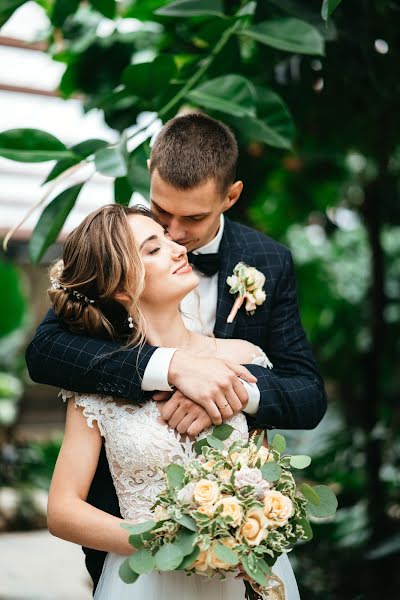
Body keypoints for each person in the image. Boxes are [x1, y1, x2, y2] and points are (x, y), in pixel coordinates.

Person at [26, 113, 326, 590]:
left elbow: (306, 394)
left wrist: (227, 389)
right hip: (133, 553)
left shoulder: (268, 262)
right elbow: (46, 352)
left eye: (193, 219)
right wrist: (169, 368)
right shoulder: (117, 247)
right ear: (149, 172)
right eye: (162, 218)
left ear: (230, 196)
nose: (175, 236)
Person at [47, 204, 301, 599]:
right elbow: (62, 511)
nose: (178, 247)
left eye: (167, 239)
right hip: (146, 582)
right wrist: (169, 542)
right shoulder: (96, 381)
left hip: (240, 581)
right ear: (121, 287)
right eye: (153, 249)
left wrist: (252, 522)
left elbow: (265, 477)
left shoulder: (244, 357)